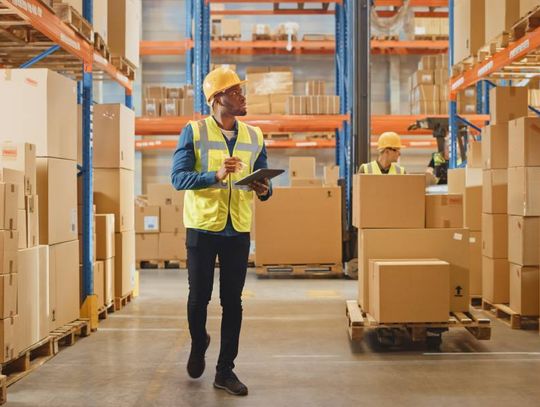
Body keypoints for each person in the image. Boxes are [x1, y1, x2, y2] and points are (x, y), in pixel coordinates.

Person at [171, 67, 272, 397]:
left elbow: (266, 186)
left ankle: (225, 370)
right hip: (202, 227)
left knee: (233, 301)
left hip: (237, 230)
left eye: (242, 90)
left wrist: (263, 189)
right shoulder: (194, 132)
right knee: (199, 298)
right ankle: (199, 343)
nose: (243, 96)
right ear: (217, 99)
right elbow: (179, 179)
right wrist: (213, 176)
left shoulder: (255, 136)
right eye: (236, 91)